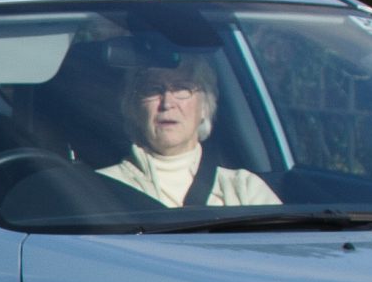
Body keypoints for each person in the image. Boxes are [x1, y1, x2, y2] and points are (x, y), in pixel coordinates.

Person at [95, 54, 279, 208]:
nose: (167, 103)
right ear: (133, 109)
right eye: (153, 90)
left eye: (182, 88)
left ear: (205, 107)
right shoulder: (102, 188)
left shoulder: (244, 189)